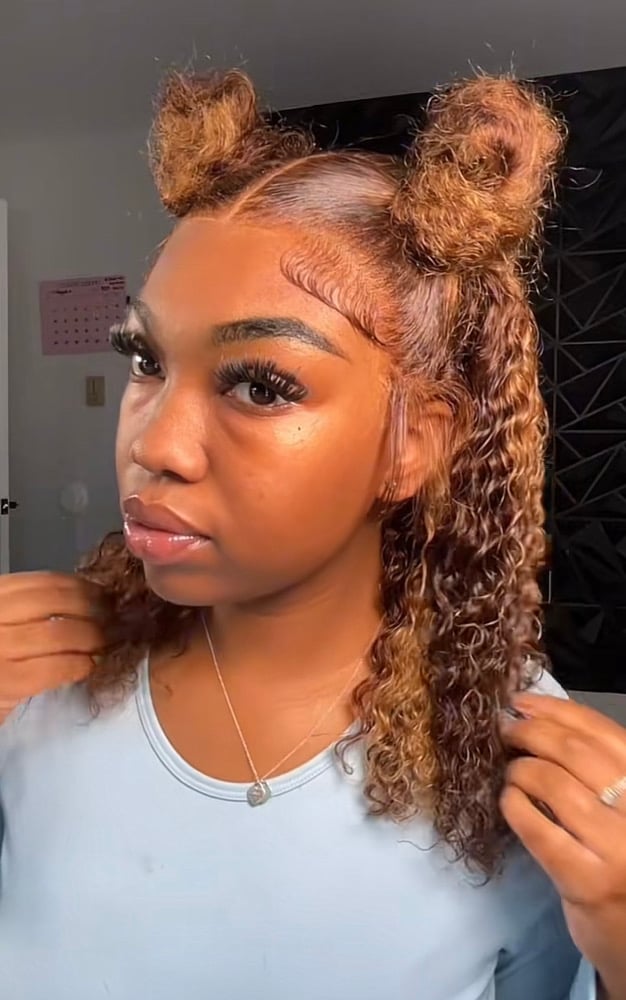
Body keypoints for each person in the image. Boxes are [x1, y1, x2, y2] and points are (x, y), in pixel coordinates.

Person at [0, 70, 624, 999]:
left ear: (415, 444)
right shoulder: (33, 686)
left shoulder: (513, 763)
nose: (154, 445)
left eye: (261, 385)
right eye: (146, 359)